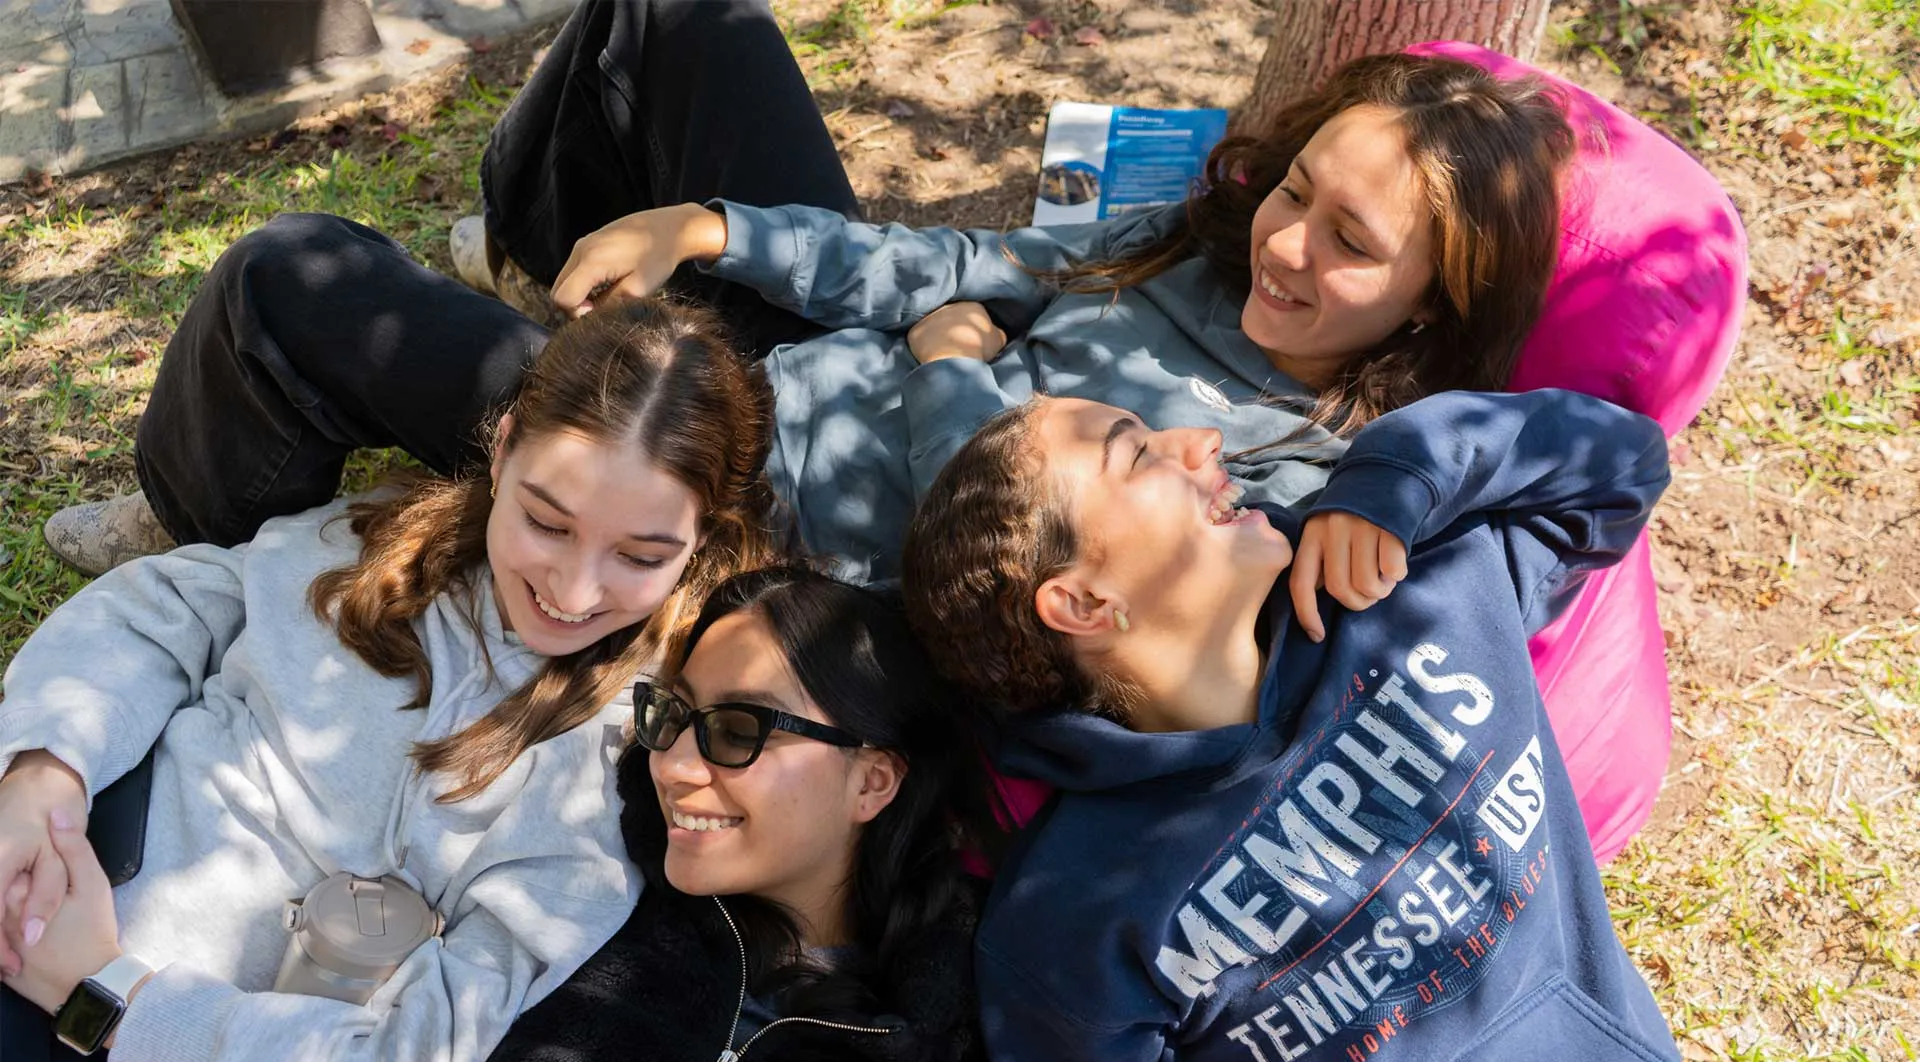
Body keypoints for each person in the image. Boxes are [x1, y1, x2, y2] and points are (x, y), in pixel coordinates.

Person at [44, 0, 1574, 586]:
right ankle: (549, 257)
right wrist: (710, 229)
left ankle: (194, 515)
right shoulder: (1211, 239)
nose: (1292, 246)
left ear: (1436, 306)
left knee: (289, 277)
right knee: (681, 20)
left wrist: (956, 367)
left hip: (745, 497)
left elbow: (991, 573)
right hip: (825, 360)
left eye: (1352, 245)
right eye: (1298, 190)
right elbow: (961, 271)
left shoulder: (1297, 471)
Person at [0, 298, 777, 1062]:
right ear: (503, 452)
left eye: (640, 557)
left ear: (698, 541)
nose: (573, 593)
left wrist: (110, 995)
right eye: (547, 523)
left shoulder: (622, 770)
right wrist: (41, 778)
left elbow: (414, 1055)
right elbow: (159, 608)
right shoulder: (381, 543)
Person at [897, 388, 1689, 1062]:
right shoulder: (1068, 921)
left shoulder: (1417, 588)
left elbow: (1623, 463)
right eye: (1137, 456)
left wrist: (1403, 465)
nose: (1199, 440)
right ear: (1085, 604)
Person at [480, 566, 987, 1062]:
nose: (674, 767)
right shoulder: (591, 895)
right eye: (675, 713)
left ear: (872, 782)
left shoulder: (961, 1024)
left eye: (740, 731)